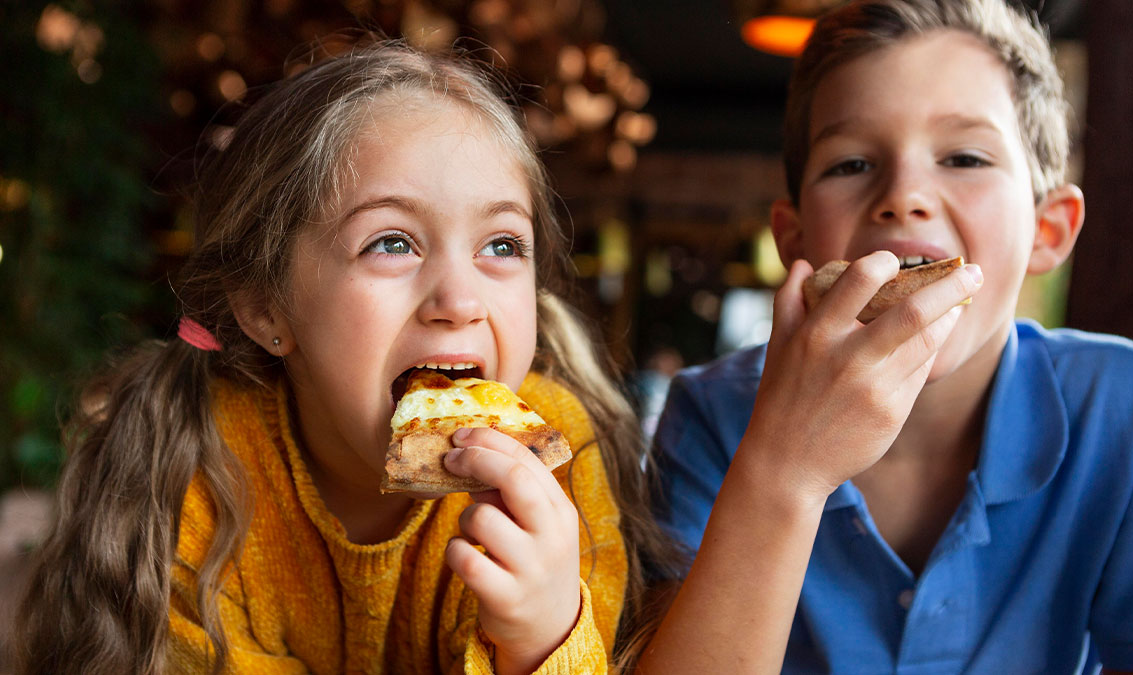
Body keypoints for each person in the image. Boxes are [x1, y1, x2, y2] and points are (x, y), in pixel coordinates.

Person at [13, 39, 677, 674]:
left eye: (501, 245)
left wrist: (543, 639)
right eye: (391, 242)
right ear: (267, 307)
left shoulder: (558, 468)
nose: (459, 298)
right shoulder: (197, 475)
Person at [641, 0, 1133, 673]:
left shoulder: (1126, 407)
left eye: (964, 156)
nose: (904, 194)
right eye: (850, 164)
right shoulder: (710, 414)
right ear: (793, 237)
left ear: (1048, 229)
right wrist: (785, 466)